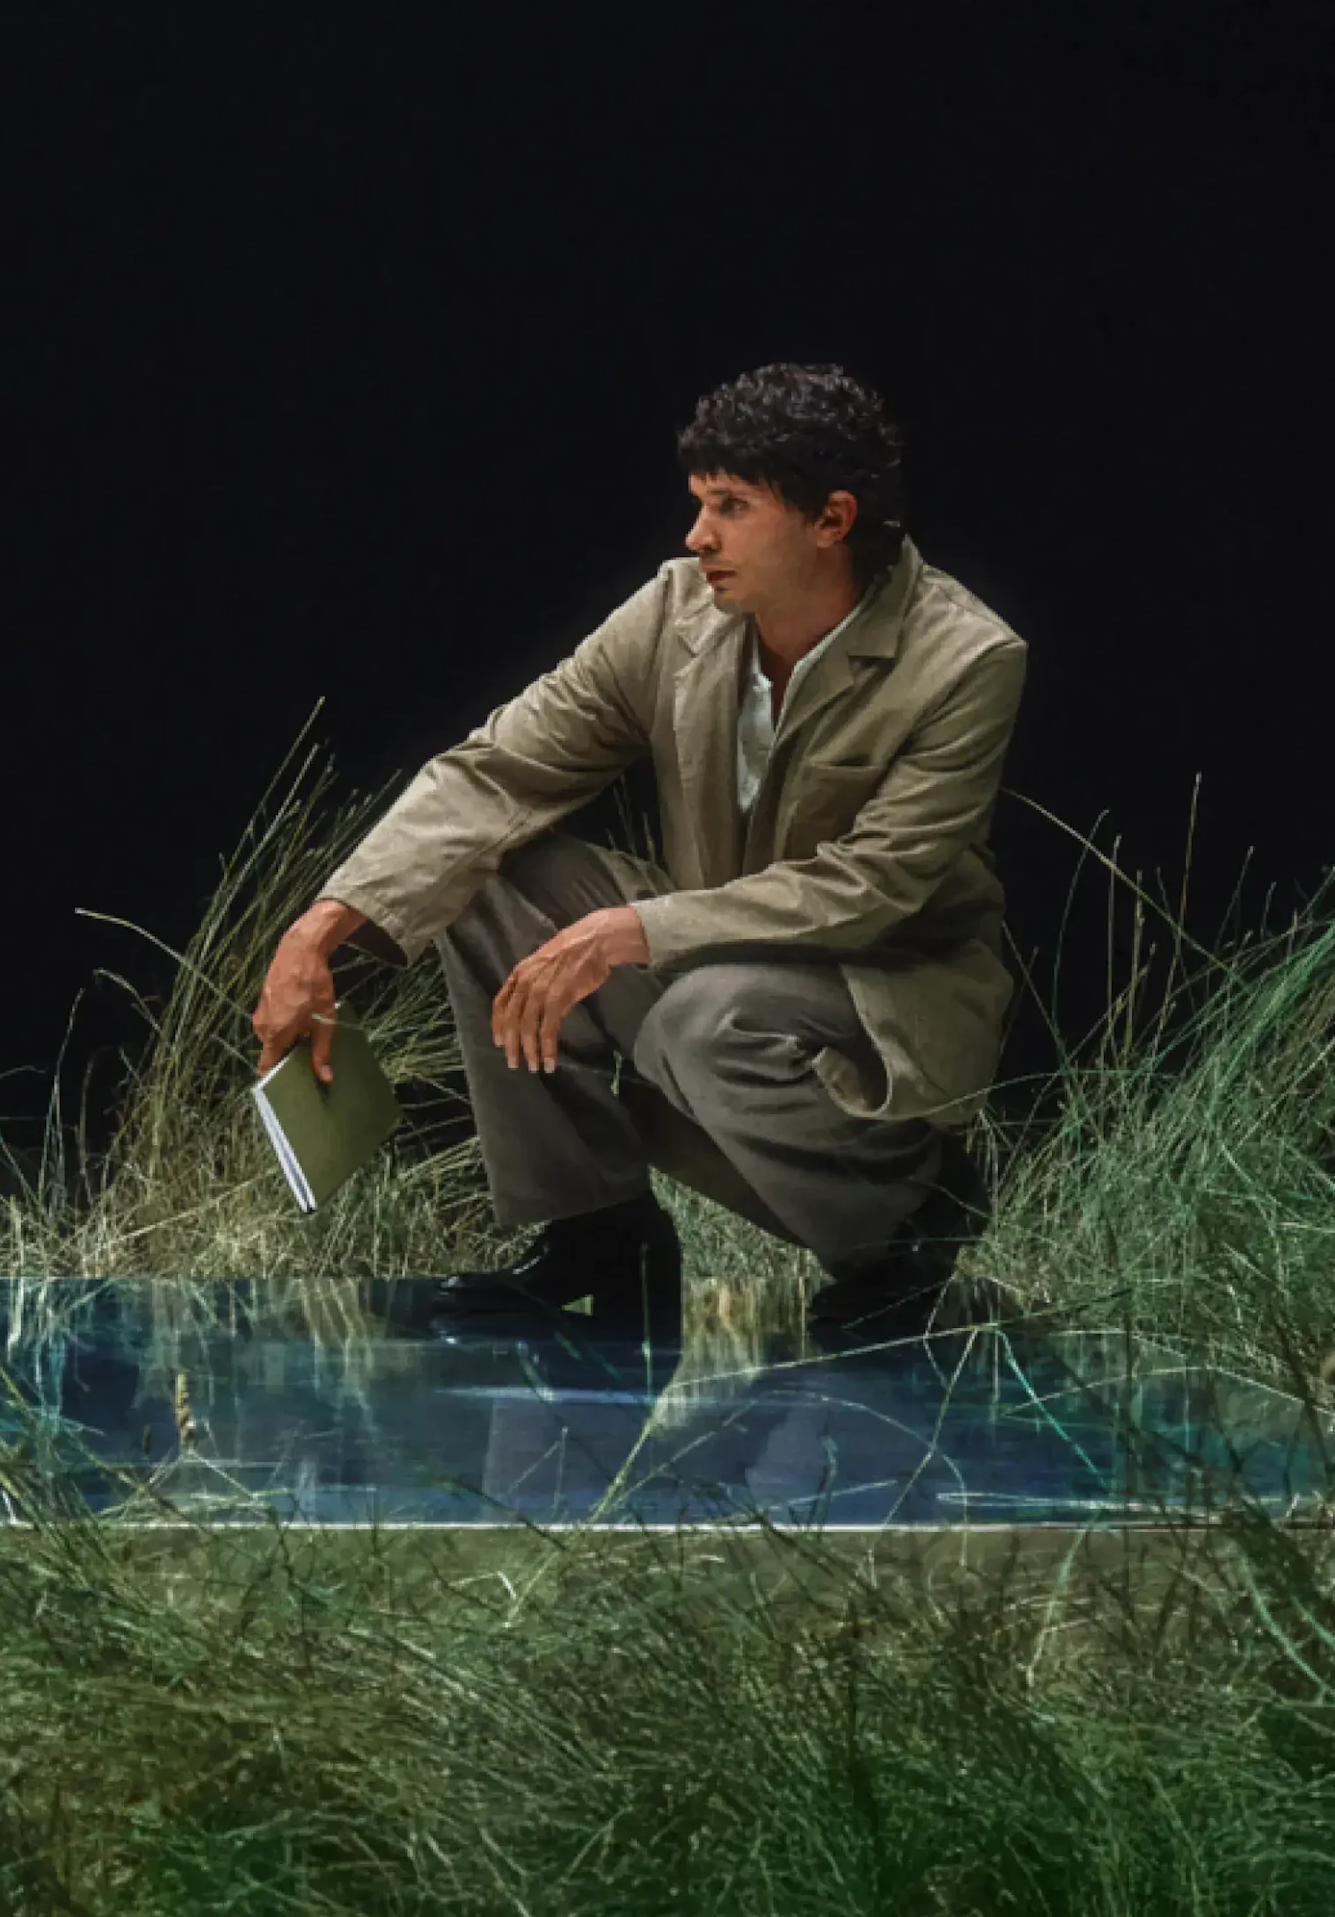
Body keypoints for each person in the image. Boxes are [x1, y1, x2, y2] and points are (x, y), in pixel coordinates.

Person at [246, 362, 1025, 1349]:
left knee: (705, 1020)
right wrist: (321, 928)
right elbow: (499, 769)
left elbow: (874, 886)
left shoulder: (965, 659)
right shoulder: (676, 611)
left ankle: (906, 1225)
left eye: (731, 507)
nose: (698, 535)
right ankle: (597, 1228)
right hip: (718, 945)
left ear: (831, 519)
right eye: (700, 503)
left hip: (883, 976)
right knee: (482, 872)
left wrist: (632, 930)